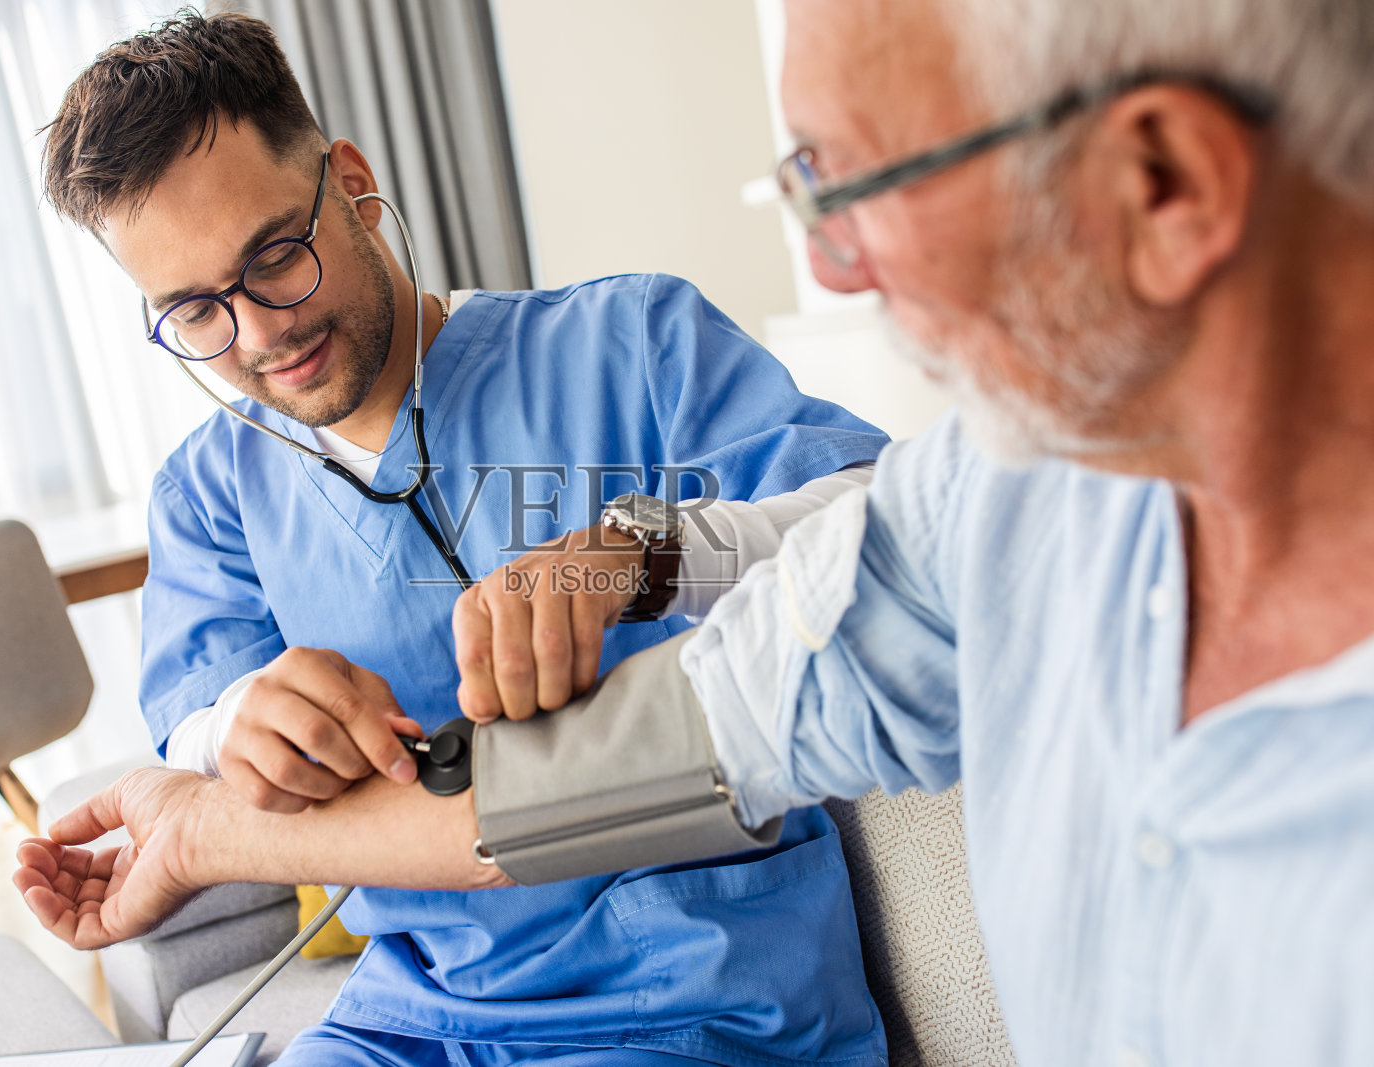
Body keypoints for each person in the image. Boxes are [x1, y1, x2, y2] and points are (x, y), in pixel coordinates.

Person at [452, 0, 1374, 1063]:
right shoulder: (1018, 480)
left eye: (849, 184)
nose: (840, 270)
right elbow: (744, 683)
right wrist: (215, 821)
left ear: (1161, 182)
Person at [17, 11, 892, 1067]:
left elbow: (887, 525)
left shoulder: (632, 346)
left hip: (695, 997)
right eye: (196, 311)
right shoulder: (211, 495)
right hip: (411, 1016)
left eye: (275, 257)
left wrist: (641, 552)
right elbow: (191, 719)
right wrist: (237, 721)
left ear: (349, 181)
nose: (258, 334)